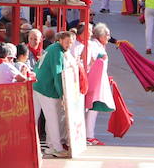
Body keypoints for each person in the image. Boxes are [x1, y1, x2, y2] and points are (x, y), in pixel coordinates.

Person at [32, 29, 76, 157]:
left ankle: (51, 146)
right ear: (60, 40)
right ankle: (56, 147)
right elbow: (58, 74)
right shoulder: (57, 52)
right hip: (46, 87)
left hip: (38, 84)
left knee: (38, 117)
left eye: (71, 43)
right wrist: (62, 94)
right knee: (53, 118)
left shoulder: (53, 48)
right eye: (67, 42)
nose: (69, 45)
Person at [80, 23, 116, 146]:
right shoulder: (94, 45)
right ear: (101, 36)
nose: (109, 37)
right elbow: (91, 62)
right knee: (92, 108)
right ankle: (89, 135)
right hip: (93, 81)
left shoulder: (97, 45)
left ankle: (88, 135)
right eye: (107, 34)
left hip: (96, 80)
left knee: (91, 108)